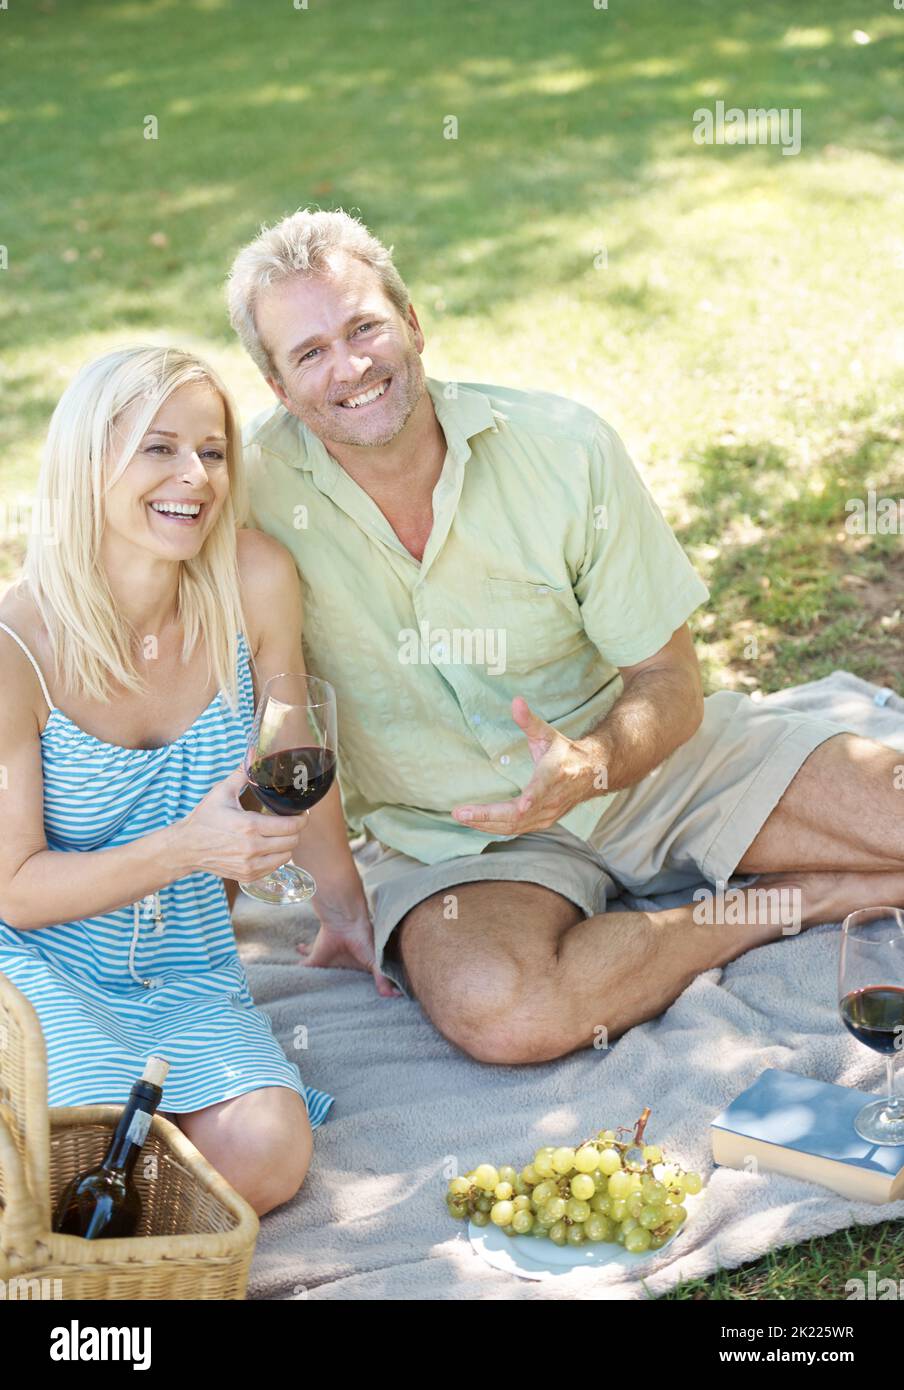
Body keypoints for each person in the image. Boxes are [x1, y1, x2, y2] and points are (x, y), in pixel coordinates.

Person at [226, 207, 904, 1066]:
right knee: (506, 1015)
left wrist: (590, 764)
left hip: (649, 765)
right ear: (280, 389)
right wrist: (333, 889)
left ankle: (774, 876)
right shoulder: (243, 497)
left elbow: (668, 677)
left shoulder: (564, 448)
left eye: (365, 326)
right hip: (451, 842)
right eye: (310, 352)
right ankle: (789, 901)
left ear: (414, 325)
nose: (351, 366)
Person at [0, 344, 388, 1216]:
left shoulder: (253, 579)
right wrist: (187, 846)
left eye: (212, 451)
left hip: (187, 963)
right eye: (159, 447)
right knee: (77, 1146)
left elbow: (294, 758)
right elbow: (15, 891)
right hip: (34, 964)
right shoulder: (13, 649)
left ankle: (89, 1219)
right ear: (87, 462)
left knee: (268, 1155)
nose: (197, 476)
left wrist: (345, 906)